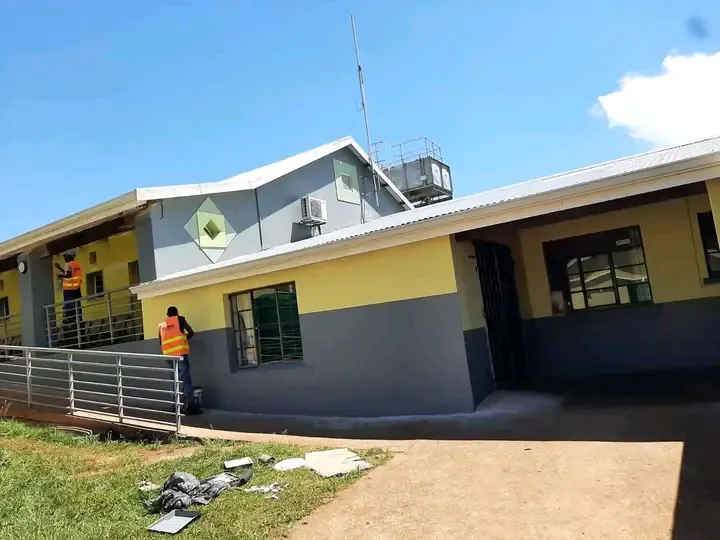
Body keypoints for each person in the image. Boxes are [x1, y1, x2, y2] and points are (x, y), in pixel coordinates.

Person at [158, 306, 195, 413]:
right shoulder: (180, 320)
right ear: (177, 313)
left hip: (169, 356)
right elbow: (191, 332)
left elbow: (161, 342)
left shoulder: (161, 326)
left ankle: (175, 406)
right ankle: (189, 407)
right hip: (181, 354)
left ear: (167, 315)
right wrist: (184, 338)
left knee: (174, 380)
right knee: (185, 379)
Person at [55, 250, 83, 344]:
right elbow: (70, 274)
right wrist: (60, 269)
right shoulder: (76, 264)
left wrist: (61, 276)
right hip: (76, 289)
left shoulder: (70, 264)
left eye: (65, 256)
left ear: (69, 256)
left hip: (70, 290)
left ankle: (70, 321)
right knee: (77, 309)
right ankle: (77, 320)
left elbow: (69, 275)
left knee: (70, 308)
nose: (64, 258)